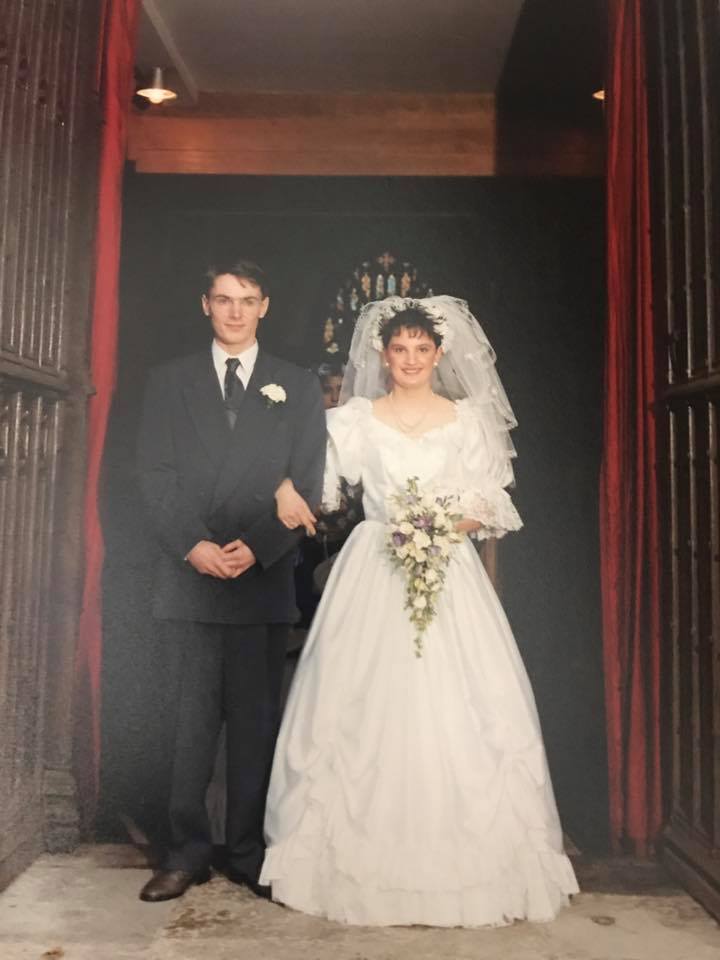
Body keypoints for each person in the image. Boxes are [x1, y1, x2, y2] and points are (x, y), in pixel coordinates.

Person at [259, 296, 579, 927]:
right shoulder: (355, 418)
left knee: (457, 704)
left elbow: (488, 504)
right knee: (360, 701)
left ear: (439, 355)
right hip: (374, 564)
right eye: (398, 350)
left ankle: (465, 867)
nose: (409, 360)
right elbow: (314, 478)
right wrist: (282, 484)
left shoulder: (466, 422)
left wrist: (435, 526)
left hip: (446, 566)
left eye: (421, 350)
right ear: (383, 355)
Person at [135, 259, 326, 903]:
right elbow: (153, 476)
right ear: (205, 306)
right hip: (191, 576)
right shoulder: (168, 382)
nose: (235, 311)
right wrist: (194, 547)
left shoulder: (296, 386)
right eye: (223, 300)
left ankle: (247, 853)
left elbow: (306, 482)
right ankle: (185, 851)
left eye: (247, 300)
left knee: (255, 723)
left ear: (265, 306)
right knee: (187, 724)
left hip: (260, 577)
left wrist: (262, 547)